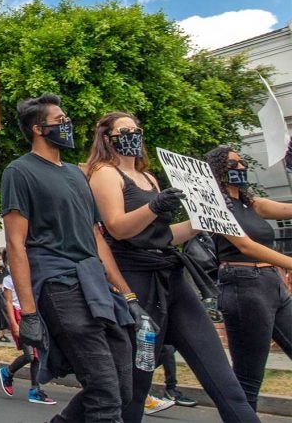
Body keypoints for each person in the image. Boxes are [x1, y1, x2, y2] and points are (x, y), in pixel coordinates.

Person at [87, 112, 259, 422]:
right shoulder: (104, 173)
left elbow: (166, 236)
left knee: (224, 382)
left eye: (137, 130)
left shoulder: (149, 178)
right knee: (135, 388)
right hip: (137, 282)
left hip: (173, 278)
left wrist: (203, 219)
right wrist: (154, 206)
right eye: (125, 131)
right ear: (107, 137)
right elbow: (118, 228)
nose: (133, 135)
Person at [1, 94, 140, 423]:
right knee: (104, 391)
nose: (68, 126)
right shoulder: (19, 172)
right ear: (38, 129)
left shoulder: (78, 175)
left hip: (94, 285)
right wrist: (29, 313)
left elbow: (95, 237)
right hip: (58, 287)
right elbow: (15, 244)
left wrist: (126, 292)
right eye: (60, 121)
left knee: (121, 388)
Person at [206, 145, 292, 411]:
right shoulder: (214, 204)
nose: (241, 167)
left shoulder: (251, 203)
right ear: (218, 170)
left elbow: (285, 209)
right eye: (233, 164)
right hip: (243, 285)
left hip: (272, 284)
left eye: (242, 163)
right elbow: (246, 246)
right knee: (248, 378)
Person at [0, 272, 55, 405]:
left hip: (32, 315)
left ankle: (34, 391)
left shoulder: (28, 276)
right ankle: (7, 371)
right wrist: (14, 324)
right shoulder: (8, 280)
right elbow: (9, 303)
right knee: (29, 356)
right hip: (18, 316)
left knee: (37, 356)